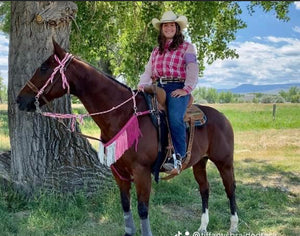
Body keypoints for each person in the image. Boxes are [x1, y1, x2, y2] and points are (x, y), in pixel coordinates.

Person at [137, 10, 199, 173]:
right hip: (157, 87)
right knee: (140, 112)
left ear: (177, 28)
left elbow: (192, 69)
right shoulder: (156, 51)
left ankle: (179, 157)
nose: (169, 28)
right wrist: (142, 85)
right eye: (166, 25)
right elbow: (148, 71)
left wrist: (186, 89)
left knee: (174, 117)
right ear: (161, 28)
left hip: (176, 88)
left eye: (172, 25)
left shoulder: (187, 47)